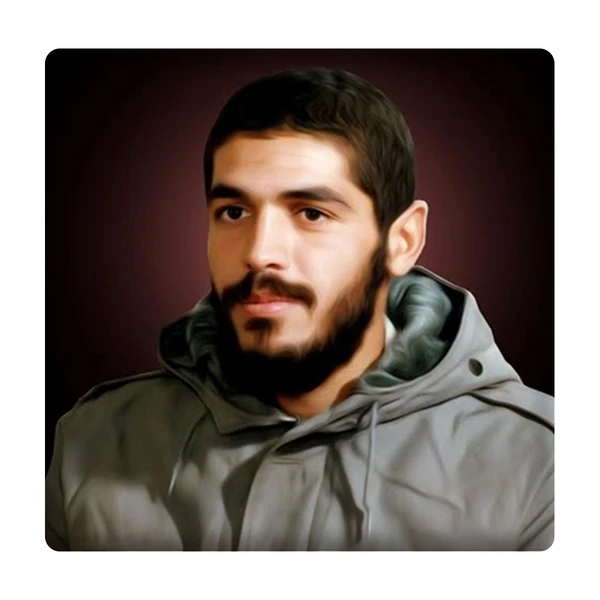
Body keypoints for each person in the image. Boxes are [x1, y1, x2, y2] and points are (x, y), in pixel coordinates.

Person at [45, 67, 554, 551]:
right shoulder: (94, 441)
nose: (259, 252)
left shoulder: (539, 466)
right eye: (234, 212)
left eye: (312, 213)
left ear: (402, 241)